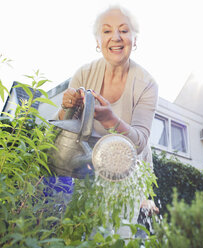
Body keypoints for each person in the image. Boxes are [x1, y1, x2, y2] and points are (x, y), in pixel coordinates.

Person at [54, 5, 158, 239]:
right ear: (98, 40)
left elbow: (140, 141)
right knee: (84, 228)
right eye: (107, 31)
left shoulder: (147, 84)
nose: (116, 37)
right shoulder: (84, 73)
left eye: (124, 30)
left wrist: (111, 119)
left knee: (119, 232)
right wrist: (67, 107)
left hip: (129, 162)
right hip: (89, 159)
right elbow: (62, 125)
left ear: (134, 38)